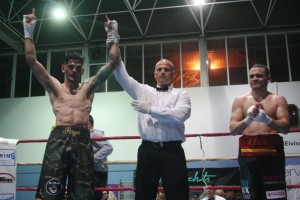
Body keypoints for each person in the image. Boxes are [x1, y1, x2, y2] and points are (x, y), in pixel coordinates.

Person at [23, 9, 120, 199]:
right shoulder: (54, 87)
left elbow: (113, 62)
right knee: (51, 192)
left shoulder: (89, 88)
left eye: (78, 67)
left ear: (82, 70)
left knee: (82, 194)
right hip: (58, 139)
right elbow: (31, 60)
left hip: (83, 140)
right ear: (63, 68)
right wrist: (29, 31)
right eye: (71, 67)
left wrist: (113, 34)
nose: (74, 70)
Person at [105, 17, 191, 200]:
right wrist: (113, 38)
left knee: (179, 195)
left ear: (173, 74)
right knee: (143, 195)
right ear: (154, 73)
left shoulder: (181, 95)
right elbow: (120, 73)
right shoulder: (142, 90)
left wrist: (151, 110)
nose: (162, 72)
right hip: (147, 151)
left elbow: (180, 115)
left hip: (172, 151)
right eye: (159, 69)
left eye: (166, 69)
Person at [229, 64, 290, 200]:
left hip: (272, 153)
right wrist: (248, 119)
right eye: (252, 76)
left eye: (259, 75)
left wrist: (267, 120)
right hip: (247, 153)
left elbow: (285, 128)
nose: (255, 78)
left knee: (275, 195)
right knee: (250, 194)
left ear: (268, 78)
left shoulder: (278, 99)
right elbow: (233, 130)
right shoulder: (240, 100)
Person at [88, 115, 114, 200]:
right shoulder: (86, 135)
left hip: (98, 172)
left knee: (95, 197)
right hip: (91, 171)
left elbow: (108, 147)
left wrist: (92, 159)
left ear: (88, 123)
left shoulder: (95, 133)